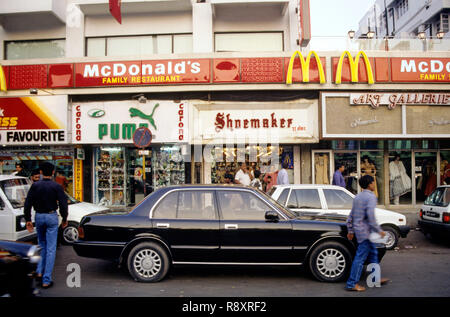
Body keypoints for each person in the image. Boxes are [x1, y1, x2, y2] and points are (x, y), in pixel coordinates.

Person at [24, 162, 68, 289]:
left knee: (41, 245)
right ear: (53, 172)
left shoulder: (35, 186)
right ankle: (46, 279)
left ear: (41, 172)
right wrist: (65, 218)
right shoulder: (57, 186)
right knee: (50, 249)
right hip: (51, 216)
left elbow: (28, 203)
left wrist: (28, 220)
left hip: (39, 216)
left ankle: (39, 271)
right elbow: (63, 204)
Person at [345, 175, 390, 292]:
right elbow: (371, 217)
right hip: (366, 233)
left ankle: (375, 278)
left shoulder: (357, 197)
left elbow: (351, 216)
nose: (374, 184)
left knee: (373, 254)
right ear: (370, 184)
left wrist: (350, 230)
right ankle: (351, 283)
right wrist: (379, 230)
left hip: (361, 231)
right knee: (360, 258)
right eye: (373, 182)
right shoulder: (371, 197)